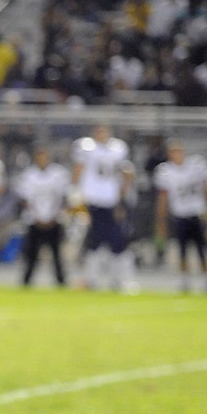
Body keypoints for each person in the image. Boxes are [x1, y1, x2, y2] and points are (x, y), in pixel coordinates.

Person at [71, 124, 137, 292]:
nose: (101, 135)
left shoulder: (118, 149)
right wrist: (76, 195)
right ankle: (91, 280)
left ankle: (121, 280)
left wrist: (123, 199)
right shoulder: (86, 148)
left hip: (111, 201)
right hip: (92, 201)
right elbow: (78, 170)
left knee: (118, 241)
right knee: (93, 242)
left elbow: (126, 173)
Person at [153, 139, 207, 293]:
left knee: (202, 249)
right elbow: (163, 198)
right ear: (169, 154)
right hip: (180, 215)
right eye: (173, 152)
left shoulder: (196, 166)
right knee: (182, 250)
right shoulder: (166, 171)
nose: (177, 155)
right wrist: (161, 220)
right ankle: (184, 280)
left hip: (197, 214)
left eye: (179, 151)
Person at [14, 146, 71, 287]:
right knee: (31, 255)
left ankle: (61, 282)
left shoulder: (58, 174)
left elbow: (63, 198)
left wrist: (55, 215)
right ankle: (26, 282)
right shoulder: (29, 175)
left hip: (54, 220)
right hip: (35, 221)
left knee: (57, 255)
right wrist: (36, 217)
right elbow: (25, 200)